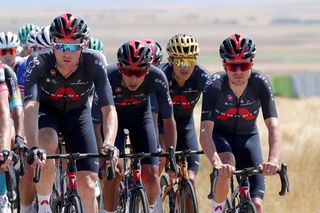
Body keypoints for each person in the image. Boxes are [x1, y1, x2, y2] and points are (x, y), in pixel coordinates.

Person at [23, 12, 118, 213]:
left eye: (73, 46)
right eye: (61, 45)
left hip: (78, 116)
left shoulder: (94, 62)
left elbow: (109, 109)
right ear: (53, 44)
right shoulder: (38, 61)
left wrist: (109, 142)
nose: (67, 52)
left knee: (89, 186)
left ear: (83, 45)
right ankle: (44, 206)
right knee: (46, 143)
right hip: (48, 113)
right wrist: (33, 147)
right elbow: (31, 107)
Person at [199, 33, 282, 213]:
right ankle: (217, 209)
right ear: (224, 65)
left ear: (251, 64)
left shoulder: (260, 82)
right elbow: (205, 132)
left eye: (243, 66)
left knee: (257, 205)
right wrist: (216, 163)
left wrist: (273, 161)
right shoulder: (214, 85)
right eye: (232, 66)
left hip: (248, 138)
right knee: (227, 162)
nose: (238, 71)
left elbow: (273, 126)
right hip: (220, 137)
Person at [91, 39, 177, 213]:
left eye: (138, 73)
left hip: (141, 119)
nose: (132, 78)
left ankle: (150, 208)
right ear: (120, 67)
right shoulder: (108, 76)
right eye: (128, 71)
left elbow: (169, 120)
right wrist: (102, 161)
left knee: (152, 176)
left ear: (147, 69)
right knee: (114, 173)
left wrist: (171, 154)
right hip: (113, 121)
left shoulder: (157, 78)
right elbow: (96, 123)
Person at [151, 34, 210, 205]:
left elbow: (216, 104)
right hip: (161, 124)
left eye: (189, 61)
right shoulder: (161, 75)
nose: (185, 67)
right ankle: (154, 201)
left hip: (185, 124)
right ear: (170, 60)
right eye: (179, 61)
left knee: (190, 178)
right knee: (160, 160)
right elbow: (152, 115)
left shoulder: (201, 77)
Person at [0, 63, 24, 213]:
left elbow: (12, 111)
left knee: (9, 128)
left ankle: (2, 195)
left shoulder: (5, 73)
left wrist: (19, 137)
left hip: (6, 119)